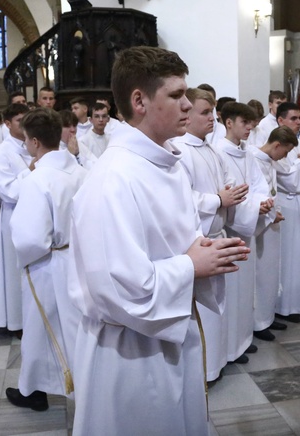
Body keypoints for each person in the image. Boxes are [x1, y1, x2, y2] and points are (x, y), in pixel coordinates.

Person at [68, 46, 250, 435]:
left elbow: (175, 241)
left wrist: (205, 249)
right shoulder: (112, 179)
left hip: (169, 332)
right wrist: (191, 265)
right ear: (139, 101)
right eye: (176, 94)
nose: (188, 105)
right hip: (131, 354)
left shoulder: (165, 164)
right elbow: (115, 288)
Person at [6, 107, 87, 411]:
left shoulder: (37, 179)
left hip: (47, 263)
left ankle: (37, 390)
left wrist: (24, 258)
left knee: (41, 326)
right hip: (77, 260)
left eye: (26, 140)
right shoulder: (80, 171)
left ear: (35, 142)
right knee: (75, 326)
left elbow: (30, 237)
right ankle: (37, 386)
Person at [172, 88, 247, 383]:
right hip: (199, 241)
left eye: (213, 111)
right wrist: (218, 200)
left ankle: (217, 360)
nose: (213, 118)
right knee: (203, 308)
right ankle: (204, 369)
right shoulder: (179, 150)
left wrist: (233, 193)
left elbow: (228, 181)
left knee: (219, 306)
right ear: (187, 114)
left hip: (218, 232)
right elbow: (182, 198)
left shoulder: (212, 148)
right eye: (205, 112)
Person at [215, 102, 273, 361]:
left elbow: (259, 184)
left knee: (245, 290)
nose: (250, 127)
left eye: (251, 123)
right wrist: (254, 206)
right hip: (230, 229)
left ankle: (243, 338)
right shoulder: (219, 152)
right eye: (244, 123)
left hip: (247, 227)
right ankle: (230, 346)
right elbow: (229, 191)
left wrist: (263, 202)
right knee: (232, 292)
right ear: (229, 123)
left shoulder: (248, 153)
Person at [0, 103, 32, 333]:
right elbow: (7, 191)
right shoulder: (1, 154)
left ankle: (33, 318)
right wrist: (31, 171)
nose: (24, 124)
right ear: (6, 123)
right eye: (19, 120)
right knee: (16, 271)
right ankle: (17, 322)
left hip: (34, 215)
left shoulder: (31, 146)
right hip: (13, 216)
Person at [273, 102, 300, 323]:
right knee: (289, 257)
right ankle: (285, 306)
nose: (299, 122)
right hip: (288, 203)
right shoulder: (278, 144)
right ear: (281, 121)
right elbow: (286, 178)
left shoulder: (299, 143)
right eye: (293, 118)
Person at [250, 126, 293, 340]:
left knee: (271, 272)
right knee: (260, 274)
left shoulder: (270, 161)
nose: (284, 157)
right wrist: (268, 215)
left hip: (271, 221)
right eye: (285, 152)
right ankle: (258, 322)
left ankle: (268, 314)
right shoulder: (253, 159)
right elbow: (252, 194)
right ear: (276, 145)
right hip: (260, 226)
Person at [77, 102, 110, 167]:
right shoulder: (83, 141)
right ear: (91, 120)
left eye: (104, 116)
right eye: (97, 116)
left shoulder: (111, 139)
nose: (101, 120)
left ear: (108, 119)